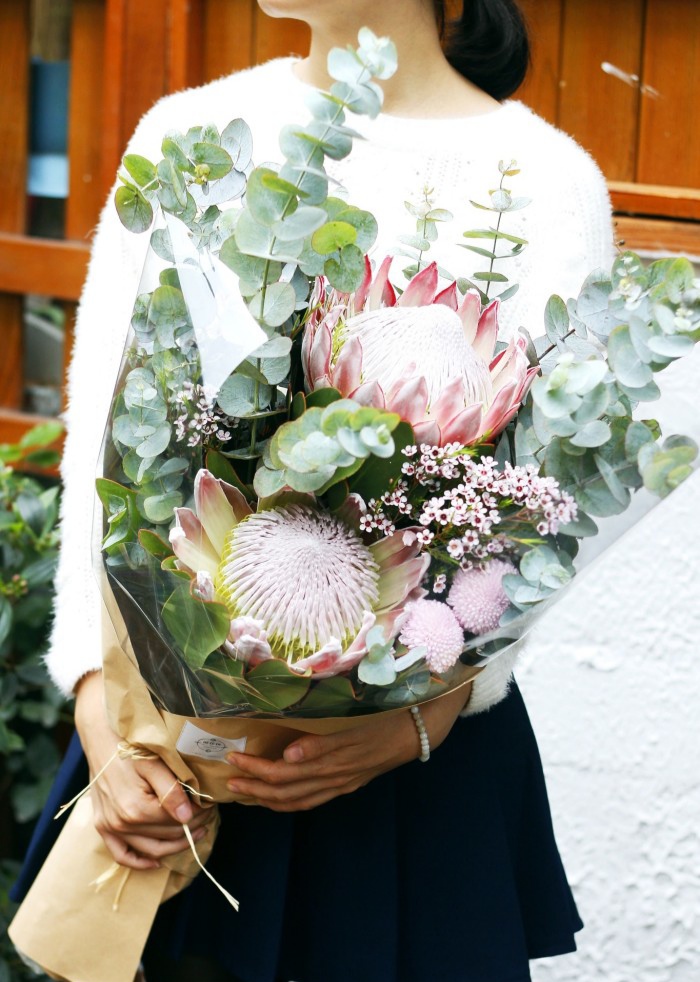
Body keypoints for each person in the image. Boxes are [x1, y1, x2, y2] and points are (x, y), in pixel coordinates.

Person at [15, 1, 615, 980]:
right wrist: (95, 698)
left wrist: (420, 715)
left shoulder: (547, 184)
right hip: (170, 749)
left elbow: (549, 502)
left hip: (407, 781)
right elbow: (103, 440)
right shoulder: (190, 135)